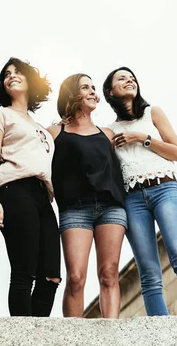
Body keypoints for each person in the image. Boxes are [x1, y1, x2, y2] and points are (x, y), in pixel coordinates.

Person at [102, 66, 177, 317]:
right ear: (110, 91)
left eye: (132, 77)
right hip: (132, 199)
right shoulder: (108, 131)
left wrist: (143, 138)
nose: (129, 80)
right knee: (148, 269)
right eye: (122, 78)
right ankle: (159, 325)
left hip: (165, 189)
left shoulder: (153, 113)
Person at [46, 73, 127, 318]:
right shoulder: (54, 133)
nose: (93, 91)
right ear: (72, 94)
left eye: (94, 87)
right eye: (85, 87)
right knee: (76, 277)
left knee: (109, 273)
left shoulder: (108, 134)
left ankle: (111, 335)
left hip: (111, 207)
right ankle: (74, 338)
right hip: (74, 209)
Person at [0, 57, 60, 317]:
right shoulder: (0, 115)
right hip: (14, 190)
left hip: (43, 195)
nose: (11, 76)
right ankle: (22, 337)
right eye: (7, 74)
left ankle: (37, 334)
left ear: (30, 81)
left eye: (18, 72)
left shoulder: (42, 128)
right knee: (24, 271)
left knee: (51, 275)